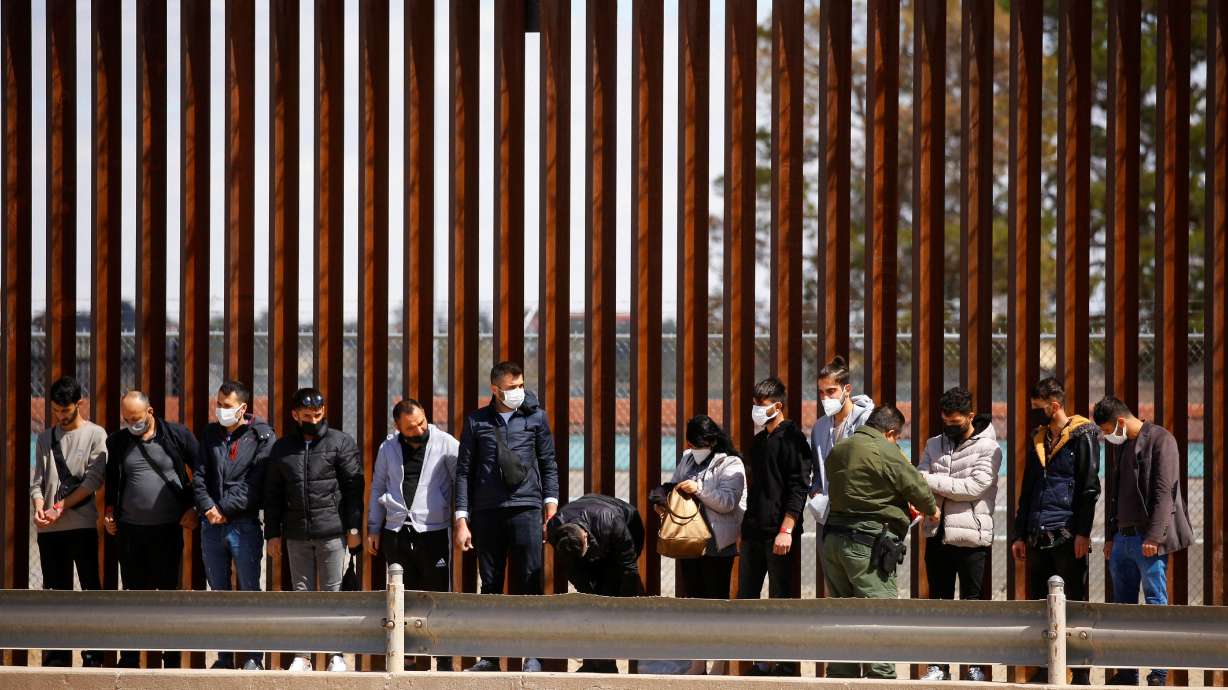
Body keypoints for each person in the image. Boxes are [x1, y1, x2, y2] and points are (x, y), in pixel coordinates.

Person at [453, 361, 560, 673]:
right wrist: (462, 519)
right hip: (487, 512)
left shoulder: (536, 418)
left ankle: (533, 655)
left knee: (530, 581)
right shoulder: (476, 421)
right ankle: (489, 656)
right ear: (495, 389)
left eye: (521, 385)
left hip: (527, 508)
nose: (518, 392)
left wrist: (550, 505)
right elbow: (463, 472)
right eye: (511, 387)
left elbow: (549, 462)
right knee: (490, 584)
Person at [821, 405, 938, 680]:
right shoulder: (885, 450)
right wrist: (932, 509)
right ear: (891, 432)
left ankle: (841, 675)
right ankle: (880, 679)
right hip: (867, 544)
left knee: (841, 613)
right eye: (897, 438)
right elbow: (916, 487)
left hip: (833, 540)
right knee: (879, 611)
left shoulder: (840, 448)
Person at [1094, 396, 1193, 687]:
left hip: (1147, 540)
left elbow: (1165, 492)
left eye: (1107, 429)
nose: (1106, 436)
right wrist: (1111, 535)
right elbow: (1115, 494)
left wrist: (1154, 536)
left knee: (1154, 604)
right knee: (1121, 608)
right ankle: (1127, 673)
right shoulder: (1123, 446)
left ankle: (1159, 673)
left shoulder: (1162, 440)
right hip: (1121, 540)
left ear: (1121, 422)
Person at [264, 387, 363, 673]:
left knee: (333, 595)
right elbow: (273, 493)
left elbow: (354, 488)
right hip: (296, 534)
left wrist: (353, 526)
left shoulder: (340, 442)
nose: (314, 419)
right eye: (307, 415)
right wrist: (272, 533)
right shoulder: (282, 448)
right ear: (295, 415)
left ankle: (336, 655)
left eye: (318, 414)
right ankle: (302, 655)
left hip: (332, 532)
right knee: (302, 595)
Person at [1011, 377, 1099, 685]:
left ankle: (1081, 673)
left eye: (1039, 408)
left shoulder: (1083, 436)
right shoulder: (1038, 439)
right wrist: (1019, 534)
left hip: (1066, 533)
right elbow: (1028, 489)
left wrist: (1083, 533)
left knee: (1074, 604)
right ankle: (1043, 668)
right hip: (1037, 533)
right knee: (1039, 604)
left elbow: (1089, 488)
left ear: (1055, 405)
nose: (1036, 414)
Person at [104, 390, 200, 669]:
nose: (132, 423)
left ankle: (170, 659)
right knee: (134, 596)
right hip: (131, 532)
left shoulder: (177, 435)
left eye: (137, 418)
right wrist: (110, 514)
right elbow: (112, 484)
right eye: (127, 419)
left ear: (150, 411)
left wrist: (193, 507)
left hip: (168, 531)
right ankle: (131, 658)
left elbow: (203, 471)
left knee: (168, 596)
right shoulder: (118, 442)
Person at [366, 398, 458, 672]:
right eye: (410, 428)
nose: (419, 430)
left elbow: (460, 483)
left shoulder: (446, 443)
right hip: (396, 530)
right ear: (398, 427)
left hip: (433, 531)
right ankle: (406, 659)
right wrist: (374, 527)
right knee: (402, 596)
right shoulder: (388, 447)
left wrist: (460, 517)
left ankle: (442, 658)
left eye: (421, 423)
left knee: (437, 595)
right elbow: (378, 486)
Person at [917, 387, 1001, 682]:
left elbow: (974, 488)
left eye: (957, 423)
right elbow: (918, 482)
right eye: (947, 422)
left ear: (970, 416)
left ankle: (974, 666)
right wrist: (934, 482)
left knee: (971, 604)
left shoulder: (990, 448)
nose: (951, 427)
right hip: (937, 535)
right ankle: (938, 665)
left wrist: (931, 480)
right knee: (939, 603)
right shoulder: (933, 444)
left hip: (971, 538)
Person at [651, 414, 746, 676]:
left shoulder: (731, 463)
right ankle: (697, 663)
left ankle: (719, 664)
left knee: (716, 607)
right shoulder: (687, 458)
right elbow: (675, 486)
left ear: (712, 441)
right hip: (689, 542)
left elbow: (728, 502)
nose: (695, 449)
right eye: (692, 444)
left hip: (718, 545)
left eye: (699, 444)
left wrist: (699, 488)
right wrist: (663, 496)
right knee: (693, 605)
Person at [193, 380, 275, 670]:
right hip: (211, 525)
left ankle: (253, 656)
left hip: (243, 525)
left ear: (243, 408)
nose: (221, 411)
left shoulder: (262, 436)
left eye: (227, 406)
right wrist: (208, 508)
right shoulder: (211, 433)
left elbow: (255, 483)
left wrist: (224, 509)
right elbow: (200, 475)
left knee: (249, 591)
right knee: (219, 593)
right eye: (218, 404)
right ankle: (225, 657)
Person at [30, 376, 106, 667]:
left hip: (82, 525)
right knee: (55, 592)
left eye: (65, 410)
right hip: (50, 529)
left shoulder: (96, 435)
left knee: (90, 590)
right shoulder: (47, 437)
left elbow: (91, 482)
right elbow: (37, 481)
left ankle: (93, 653)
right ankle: (57, 654)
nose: (60, 416)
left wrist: (61, 506)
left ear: (79, 404)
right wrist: (40, 507)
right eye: (56, 410)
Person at [737, 377, 810, 676]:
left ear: (778, 406)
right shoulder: (758, 442)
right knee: (748, 599)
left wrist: (787, 529)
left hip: (779, 533)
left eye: (762, 405)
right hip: (754, 531)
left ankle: (785, 663)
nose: (756, 410)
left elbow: (798, 487)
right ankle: (756, 660)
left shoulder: (794, 439)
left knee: (782, 599)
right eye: (754, 404)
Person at [546, 493, 645, 674]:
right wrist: (588, 595)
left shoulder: (612, 522)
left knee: (608, 593)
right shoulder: (555, 529)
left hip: (628, 528)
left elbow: (628, 567)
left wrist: (625, 602)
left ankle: (605, 665)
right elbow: (572, 569)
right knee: (592, 605)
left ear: (584, 536)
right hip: (595, 538)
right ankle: (594, 663)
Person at [809, 356, 875, 537]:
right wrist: (815, 492)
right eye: (821, 392)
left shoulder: (867, 420)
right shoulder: (820, 427)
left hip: (861, 518)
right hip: (829, 517)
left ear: (847, 389)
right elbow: (816, 468)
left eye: (831, 391)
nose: (825, 398)